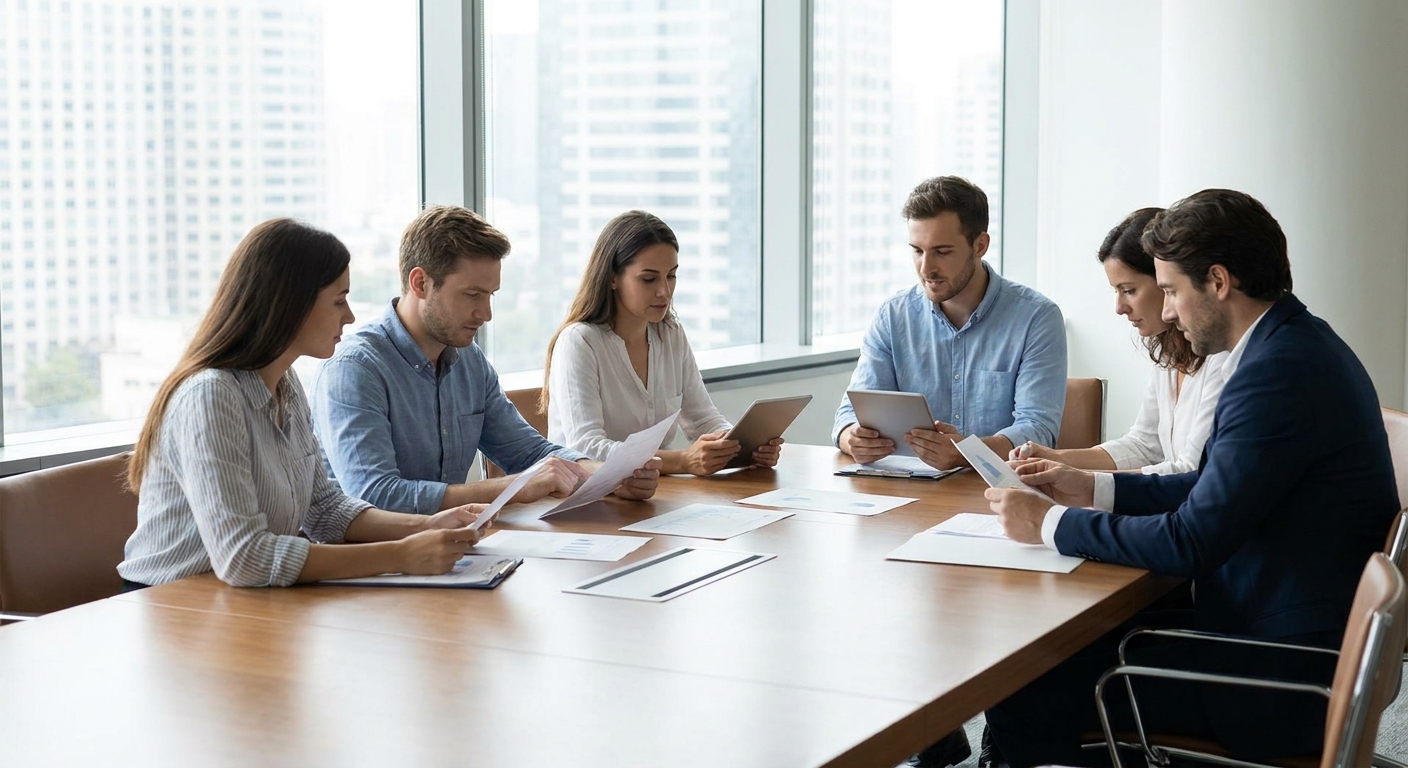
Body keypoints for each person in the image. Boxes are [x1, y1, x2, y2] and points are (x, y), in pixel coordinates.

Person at [984, 189, 1399, 767]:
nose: (1170, 312)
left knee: (1027, 684)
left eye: (1173, 291)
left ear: (1219, 282)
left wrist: (1051, 523)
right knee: (1055, 654)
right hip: (1279, 621)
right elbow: (1214, 487)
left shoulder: (1275, 375)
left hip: (1276, 673)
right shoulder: (1292, 347)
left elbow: (1191, 539)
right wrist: (1095, 488)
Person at [119, 219, 489, 589]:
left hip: (236, 602)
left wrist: (428, 524)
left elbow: (324, 509)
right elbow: (244, 557)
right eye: (339, 301)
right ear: (290, 305)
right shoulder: (210, 396)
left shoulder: (286, 385)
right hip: (170, 605)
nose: (350, 316)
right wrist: (401, 555)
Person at [311, 205, 660, 515]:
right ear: (420, 283)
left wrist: (606, 474)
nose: (486, 313)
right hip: (366, 565)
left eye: (490, 294)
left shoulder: (468, 360)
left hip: (445, 552)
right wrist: (513, 488)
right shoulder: (355, 370)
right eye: (472, 295)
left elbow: (527, 451)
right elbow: (374, 495)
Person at [834, 176, 1067, 472]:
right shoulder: (892, 316)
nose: (926, 268)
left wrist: (967, 452)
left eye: (942, 252)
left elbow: (1038, 430)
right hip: (907, 494)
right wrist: (851, 437)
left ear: (980, 245)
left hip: (999, 494)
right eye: (917, 250)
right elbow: (848, 414)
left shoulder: (1036, 318)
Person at [542, 210, 782, 475]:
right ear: (612, 277)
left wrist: (739, 447)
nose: (664, 291)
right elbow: (587, 449)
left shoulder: (670, 334)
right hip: (584, 499)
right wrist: (681, 461)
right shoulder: (579, 342)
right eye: (649, 279)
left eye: (671, 276)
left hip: (650, 491)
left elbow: (702, 417)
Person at [1010, 208, 1229, 474]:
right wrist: (1057, 459)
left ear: (1164, 280)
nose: (1119, 307)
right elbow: (1143, 445)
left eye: (1129, 290)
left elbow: (1191, 471)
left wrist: (1084, 482)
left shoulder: (1222, 357)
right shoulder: (1168, 351)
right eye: (1117, 292)